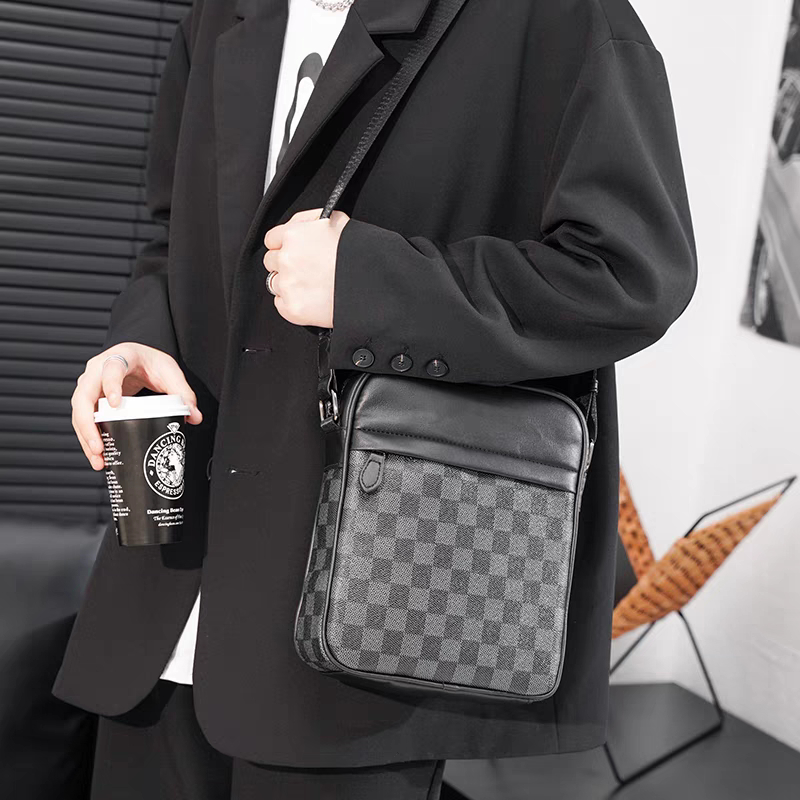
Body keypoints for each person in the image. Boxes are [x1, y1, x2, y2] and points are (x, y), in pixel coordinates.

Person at [56, 0, 698, 797]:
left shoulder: (560, 18)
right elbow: (167, 235)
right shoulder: (221, 15)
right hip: (160, 601)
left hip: (360, 628)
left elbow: (631, 276)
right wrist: (136, 341)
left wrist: (368, 282)